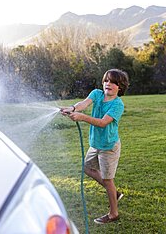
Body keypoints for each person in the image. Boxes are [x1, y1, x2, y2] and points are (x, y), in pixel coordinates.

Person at [60, 68, 129, 224]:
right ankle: (115, 194)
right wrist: (72, 108)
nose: (108, 84)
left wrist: (82, 117)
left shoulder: (118, 105)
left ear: (120, 87)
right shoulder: (97, 94)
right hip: (95, 144)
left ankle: (113, 214)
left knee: (108, 179)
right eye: (106, 80)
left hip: (108, 147)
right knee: (87, 168)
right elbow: (83, 104)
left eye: (113, 82)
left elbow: (103, 122)